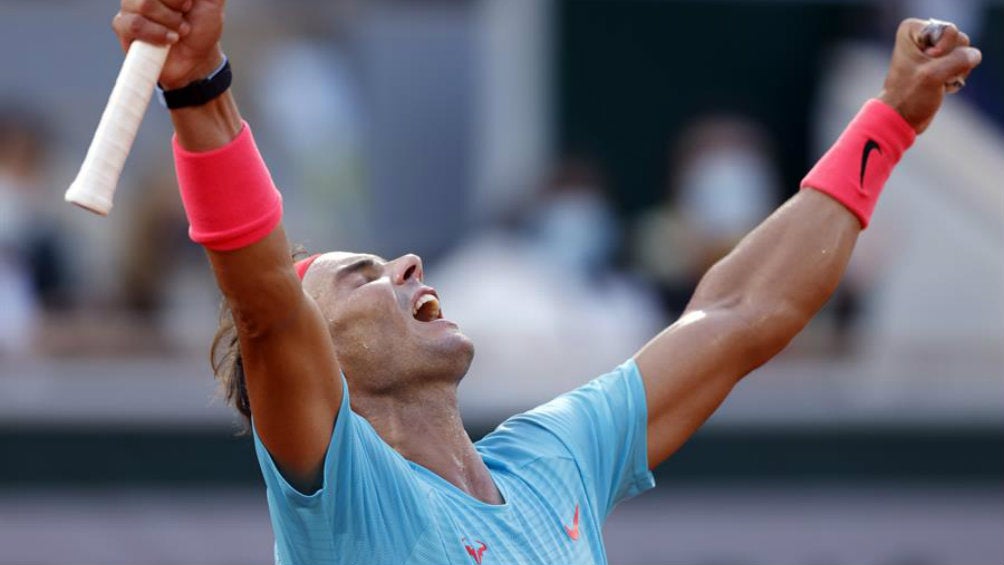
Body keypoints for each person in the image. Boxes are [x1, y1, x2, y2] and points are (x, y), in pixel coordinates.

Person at [111, 2, 982, 564]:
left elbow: (739, 311)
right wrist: (200, 86)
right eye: (362, 277)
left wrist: (889, 123)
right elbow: (265, 303)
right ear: (319, 368)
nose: (407, 264)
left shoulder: (550, 460)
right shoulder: (347, 501)